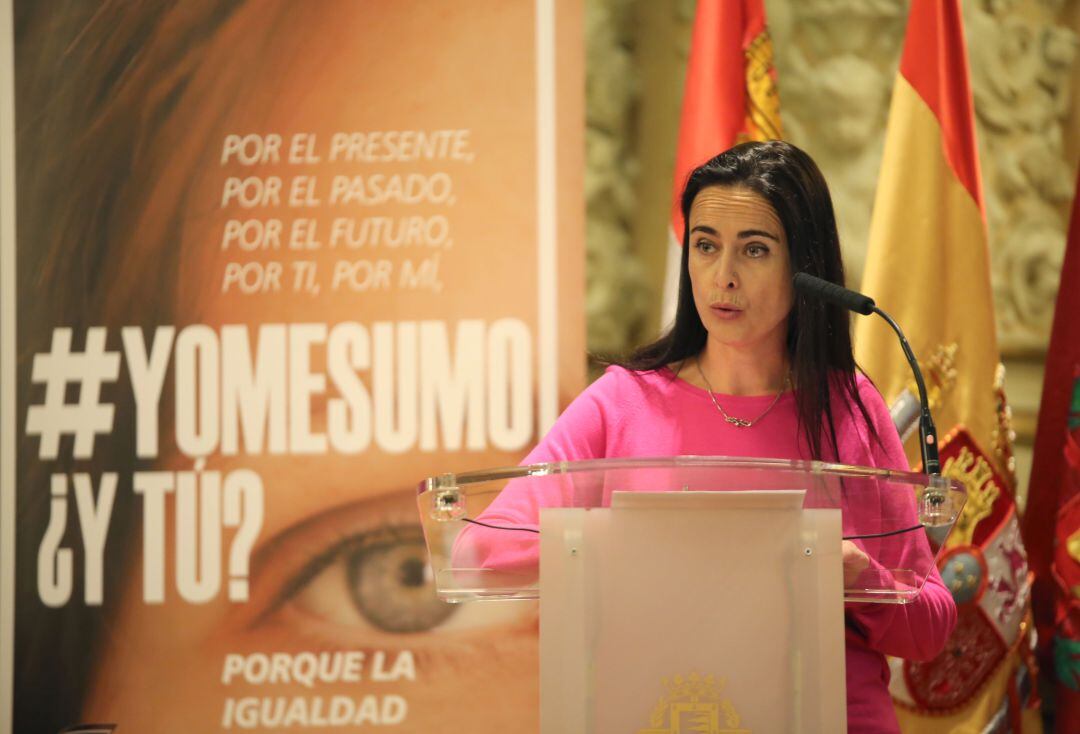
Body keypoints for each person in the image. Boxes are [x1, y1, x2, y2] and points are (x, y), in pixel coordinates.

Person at [470, 140, 957, 733]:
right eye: (705, 246)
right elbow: (484, 552)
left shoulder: (850, 410)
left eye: (754, 250)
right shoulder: (621, 403)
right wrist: (640, 554)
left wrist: (861, 579)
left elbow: (931, 629)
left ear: (806, 268)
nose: (723, 277)